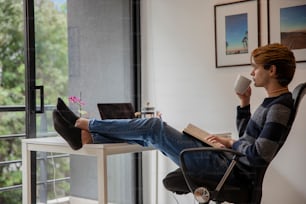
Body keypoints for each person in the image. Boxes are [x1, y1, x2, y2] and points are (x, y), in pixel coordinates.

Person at [53, 43, 296, 183]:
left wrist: (229, 147)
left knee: (153, 127)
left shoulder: (279, 108)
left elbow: (258, 157)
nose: (252, 74)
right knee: (151, 133)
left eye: (255, 68)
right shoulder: (273, 102)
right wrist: (243, 106)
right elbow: (248, 138)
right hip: (228, 161)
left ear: (271, 70)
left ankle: (84, 124)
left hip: (229, 170)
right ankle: (88, 136)